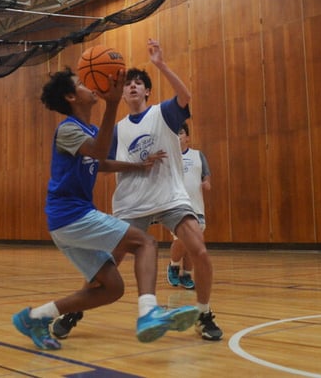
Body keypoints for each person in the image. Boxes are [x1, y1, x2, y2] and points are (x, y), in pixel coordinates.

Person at [12, 67, 199, 351]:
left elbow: (100, 162)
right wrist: (112, 103)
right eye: (81, 84)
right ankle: (149, 312)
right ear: (71, 97)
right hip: (71, 215)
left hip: (66, 221)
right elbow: (100, 152)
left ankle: (35, 317)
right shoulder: (67, 130)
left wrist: (138, 166)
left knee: (112, 288)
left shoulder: (90, 131)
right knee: (146, 243)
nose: (90, 86)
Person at [109, 38, 222, 341]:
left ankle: (203, 313)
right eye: (127, 84)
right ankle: (74, 311)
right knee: (109, 262)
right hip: (133, 202)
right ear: (122, 94)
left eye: (138, 83)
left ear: (147, 91)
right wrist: (137, 165)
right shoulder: (118, 129)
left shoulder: (164, 113)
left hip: (170, 196)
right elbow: (105, 165)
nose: (132, 86)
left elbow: (186, 96)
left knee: (200, 251)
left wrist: (160, 65)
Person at [166, 122, 211, 290]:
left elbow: (206, 174)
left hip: (197, 207)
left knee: (193, 244)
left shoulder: (198, 155)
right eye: (174, 133)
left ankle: (186, 275)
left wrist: (206, 182)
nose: (178, 136)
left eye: (181, 133)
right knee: (181, 239)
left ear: (188, 138)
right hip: (177, 206)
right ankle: (173, 266)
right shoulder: (168, 158)